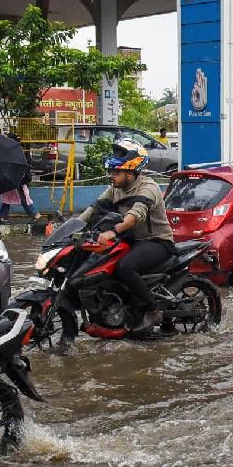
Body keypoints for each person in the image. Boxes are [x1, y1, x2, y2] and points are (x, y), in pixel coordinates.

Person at [77, 140, 173, 333]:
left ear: (131, 172)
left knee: (124, 267)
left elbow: (133, 218)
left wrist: (112, 232)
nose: (112, 175)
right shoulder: (115, 188)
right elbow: (94, 208)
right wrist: (72, 227)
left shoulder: (148, 188)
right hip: (130, 241)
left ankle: (151, 310)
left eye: (116, 172)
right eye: (111, 171)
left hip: (157, 241)